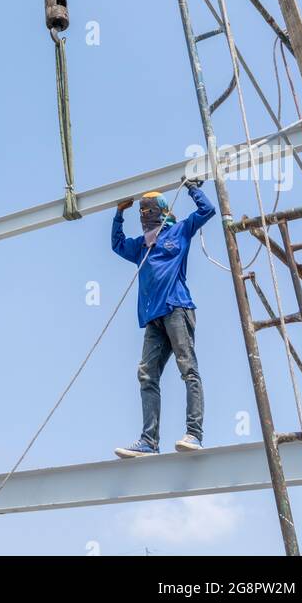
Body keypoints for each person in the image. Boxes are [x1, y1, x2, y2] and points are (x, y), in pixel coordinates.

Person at [111, 181, 215, 457]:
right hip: (154, 318)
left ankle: (194, 434)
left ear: (161, 211)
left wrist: (193, 189)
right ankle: (149, 441)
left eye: (148, 209)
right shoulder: (140, 248)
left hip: (177, 309)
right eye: (141, 211)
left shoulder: (178, 232)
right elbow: (117, 244)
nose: (144, 214)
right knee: (146, 375)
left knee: (188, 369)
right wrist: (119, 214)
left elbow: (207, 210)